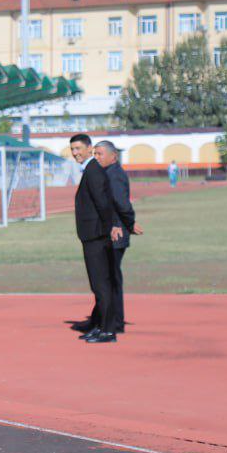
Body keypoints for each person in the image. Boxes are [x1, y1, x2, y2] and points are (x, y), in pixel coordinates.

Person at [68, 134, 119, 344]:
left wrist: (111, 227)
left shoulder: (93, 171)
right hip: (93, 234)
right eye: (72, 149)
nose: (75, 153)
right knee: (98, 284)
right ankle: (100, 325)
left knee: (101, 284)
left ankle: (107, 330)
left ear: (90, 148)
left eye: (79, 148)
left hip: (97, 235)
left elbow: (103, 202)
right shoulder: (90, 170)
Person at [92, 141, 142, 335]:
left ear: (113, 156)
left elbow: (121, 204)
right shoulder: (108, 174)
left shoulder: (114, 175)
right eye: (95, 154)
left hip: (117, 232)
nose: (96, 157)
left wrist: (129, 223)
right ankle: (104, 320)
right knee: (108, 278)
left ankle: (113, 322)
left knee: (111, 279)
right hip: (114, 230)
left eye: (100, 154)